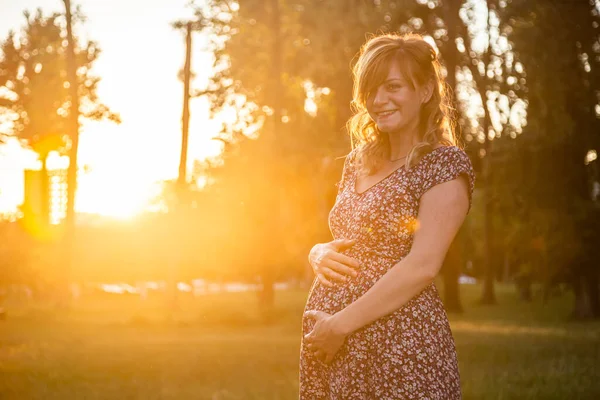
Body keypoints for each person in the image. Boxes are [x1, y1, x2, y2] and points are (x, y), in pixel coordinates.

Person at [299, 32, 475, 399]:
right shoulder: (358, 162)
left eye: (393, 86)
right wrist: (317, 252)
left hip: (399, 347)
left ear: (425, 91)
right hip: (337, 347)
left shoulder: (443, 164)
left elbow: (423, 265)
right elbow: (349, 236)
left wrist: (338, 326)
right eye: (371, 90)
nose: (379, 100)